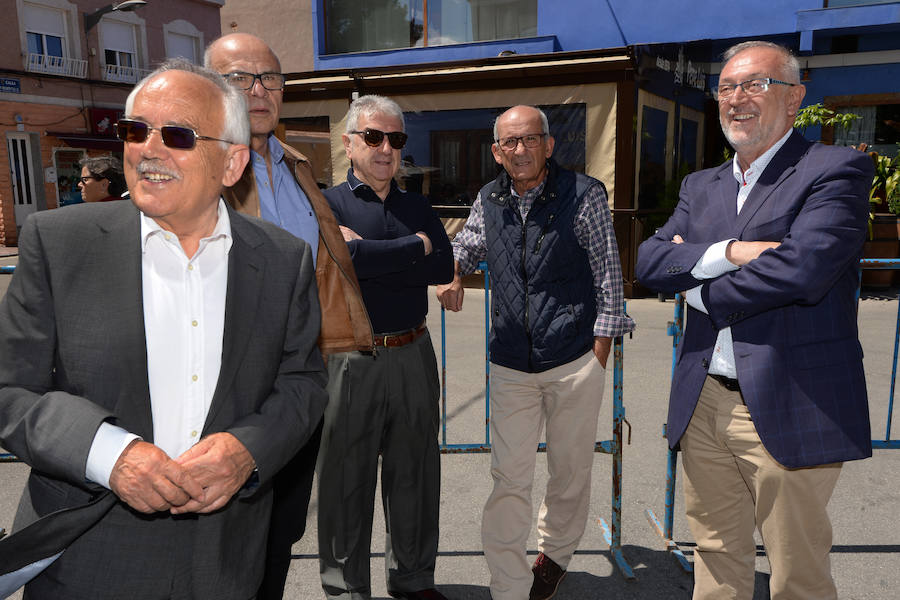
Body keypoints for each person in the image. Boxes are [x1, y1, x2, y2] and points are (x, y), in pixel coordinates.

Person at [0, 59, 328, 599]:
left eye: (177, 135)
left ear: (232, 162)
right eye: (135, 131)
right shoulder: (59, 242)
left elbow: (303, 383)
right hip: (88, 554)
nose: (148, 149)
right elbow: (12, 390)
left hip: (225, 559)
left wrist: (247, 452)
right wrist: (111, 454)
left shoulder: (282, 258)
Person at [635, 41, 874, 600]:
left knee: (797, 574)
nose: (736, 99)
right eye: (726, 88)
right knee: (716, 560)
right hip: (704, 403)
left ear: (794, 99)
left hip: (792, 399)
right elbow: (647, 260)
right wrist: (731, 253)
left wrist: (696, 288)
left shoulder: (835, 170)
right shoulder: (702, 185)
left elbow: (802, 270)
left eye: (754, 85)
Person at [437, 105, 634, 600]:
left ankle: (555, 555)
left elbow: (608, 271)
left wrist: (600, 349)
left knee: (569, 471)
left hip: (574, 359)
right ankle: (508, 586)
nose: (519, 150)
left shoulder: (584, 194)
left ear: (549, 145)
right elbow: (471, 245)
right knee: (509, 478)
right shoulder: (490, 197)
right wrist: (452, 269)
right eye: (510, 142)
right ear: (497, 151)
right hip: (510, 362)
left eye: (530, 140)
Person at [205, 33, 373, 600]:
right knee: (223, 535)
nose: (257, 90)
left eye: (269, 79)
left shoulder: (297, 165)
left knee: (282, 528)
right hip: (226, 384)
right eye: (238, 78)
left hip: (300, 380)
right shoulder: (197, 169)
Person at [318, 94, 453, 600]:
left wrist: (369, 254)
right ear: (349, 143)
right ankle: (346, 588)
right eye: (373, 137)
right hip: (353, 358)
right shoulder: (327, 204)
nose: (385, 149)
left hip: (415, 352)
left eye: (395, 140)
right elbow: (342, 263)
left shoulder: (416, 203)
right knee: (345, 480)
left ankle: (413, 580)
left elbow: (443, 267)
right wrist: (414, 246)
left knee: (416, 473)